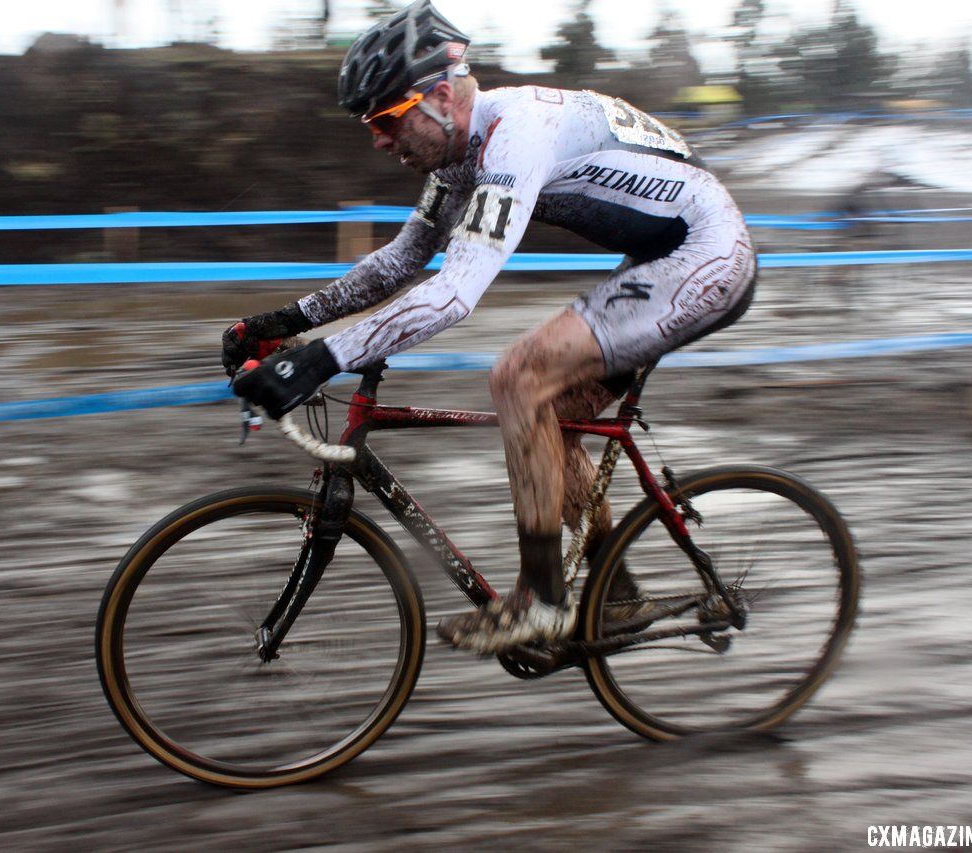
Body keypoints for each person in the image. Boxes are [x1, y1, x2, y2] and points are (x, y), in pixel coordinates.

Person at [227, 0, 756, 654]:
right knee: (549, 421)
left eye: (386, 118)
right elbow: (402, 261)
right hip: (658, 256)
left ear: (441, 97)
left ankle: (541, 603)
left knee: (518, 377)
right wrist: (285, 323)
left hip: (706, 253)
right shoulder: (456, 154)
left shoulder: (517, 134)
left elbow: (454, 294)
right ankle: (618, 593)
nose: (379, 139)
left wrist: (318, 359)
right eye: (370, 123)